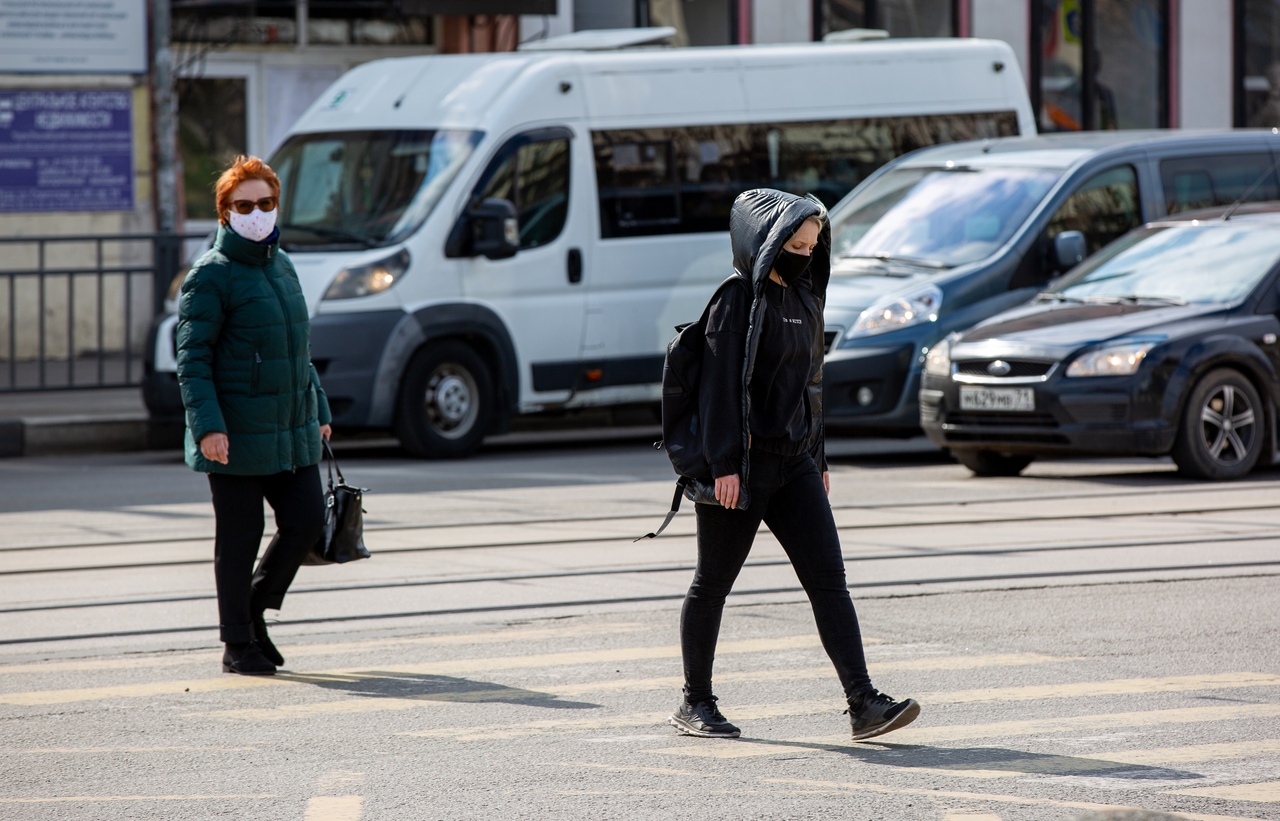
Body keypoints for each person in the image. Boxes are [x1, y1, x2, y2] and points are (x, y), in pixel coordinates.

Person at [669, 188, 920, 741]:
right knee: (712, 584)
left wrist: (819, 454)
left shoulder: (806, 297)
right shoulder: (736, 301)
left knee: (830, 581)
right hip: (744, 466)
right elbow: (717, 391)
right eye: (795, 243)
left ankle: (863, 704)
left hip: (796, 464)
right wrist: (724, 466)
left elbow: (810, 385)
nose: (804, 253)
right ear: (767, 242)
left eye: (812, 245)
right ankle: (696, 702)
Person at [176, 155, 332, 676]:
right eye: (245, 205)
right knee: (239, 541)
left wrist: (320, 409)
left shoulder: (282, 264)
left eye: (266, 203)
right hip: (236, 432)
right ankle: (236, 643)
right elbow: (192, 361)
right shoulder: (210, 276)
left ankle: (255, 609)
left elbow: (298, 349)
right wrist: (208, 427)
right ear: (225, 213)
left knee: (307, 521)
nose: (257, 213)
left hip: (291, 425)